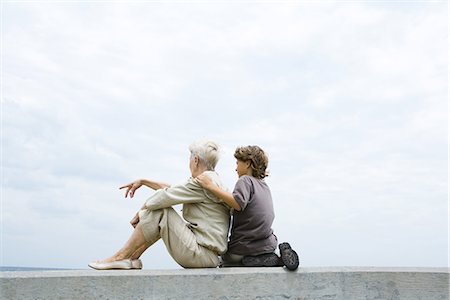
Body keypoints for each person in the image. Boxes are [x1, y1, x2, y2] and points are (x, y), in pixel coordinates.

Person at [88, 140, 231, 270]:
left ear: (195, 160)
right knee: (159, 212)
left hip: (201, 255)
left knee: (160, 212)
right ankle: (132, 258)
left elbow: (162, 198)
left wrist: (141, 211)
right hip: (208, 256)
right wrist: (144, 181)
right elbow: (173, 189)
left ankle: (120, 257)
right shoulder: (211, 180)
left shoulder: (202, 182)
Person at [196, 145, 299, 270]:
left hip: (242, 247)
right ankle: (276, 260)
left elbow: (238, 203)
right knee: (263, 257)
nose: (235, 168)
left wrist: (210, 186)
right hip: (267, 245)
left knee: (225, 260)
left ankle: (247, 261)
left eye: (238, 163)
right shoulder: (264, 186)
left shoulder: (245, 181)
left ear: (248, 164)